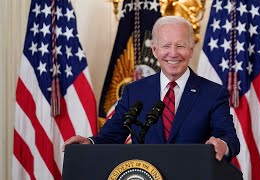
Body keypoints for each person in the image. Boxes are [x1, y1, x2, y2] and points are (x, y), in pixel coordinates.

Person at [63, 16, 240, 161]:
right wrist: (90, 142)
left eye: (180, 45)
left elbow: (229, 138)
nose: (173, 53)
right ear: (154, 50)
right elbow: (112, 134)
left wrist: (222, 145)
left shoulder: (213, 93)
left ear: (191, 49)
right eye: (165, 46)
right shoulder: (135, 92)